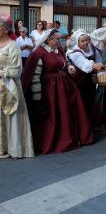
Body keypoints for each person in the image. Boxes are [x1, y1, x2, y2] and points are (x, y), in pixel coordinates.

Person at [22, 29, 94, 154]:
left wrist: (69, 68)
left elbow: (64, 64)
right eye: (57, 38)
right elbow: (34, 76)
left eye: (59, 38)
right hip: (50, 89)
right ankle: (54, 140)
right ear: (49, 40)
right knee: (53, 114)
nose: (59, 40)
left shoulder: (59, 50)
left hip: (64, 87)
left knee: (67, 113)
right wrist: (37, 97)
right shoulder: (40, 53)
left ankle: (70, 137)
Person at [0, 14, 34, 159]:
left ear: (5, 29)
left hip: (9, 84)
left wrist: (3, 73)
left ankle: (14, 149)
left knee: (12, 115)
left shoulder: (13, 45)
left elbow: (17, 69)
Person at [67, 29, 104, 122]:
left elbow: (99, 60)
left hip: (90, 81)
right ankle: (81, 123)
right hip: (79, 82)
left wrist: (99, 67)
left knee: (90, 101)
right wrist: (94, 65)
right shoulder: (75, 53)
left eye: (87, 40)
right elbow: (84, 63)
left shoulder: (92, 49)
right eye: (83, 41)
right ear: (77, 42)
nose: (86, 42)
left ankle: (90, 122)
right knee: (81, 102)